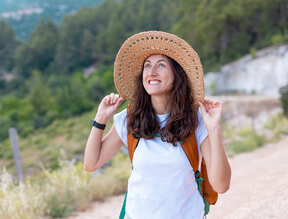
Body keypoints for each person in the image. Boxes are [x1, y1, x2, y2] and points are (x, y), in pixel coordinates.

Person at [84, 31, 231, 219]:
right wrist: (100, 120)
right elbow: (91, 163)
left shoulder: (196, 119)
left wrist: (214, 130)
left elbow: (221, 185)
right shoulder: (129, 119)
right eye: (147, 66)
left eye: (161, 65)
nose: (152, 72)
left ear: (177, 75)